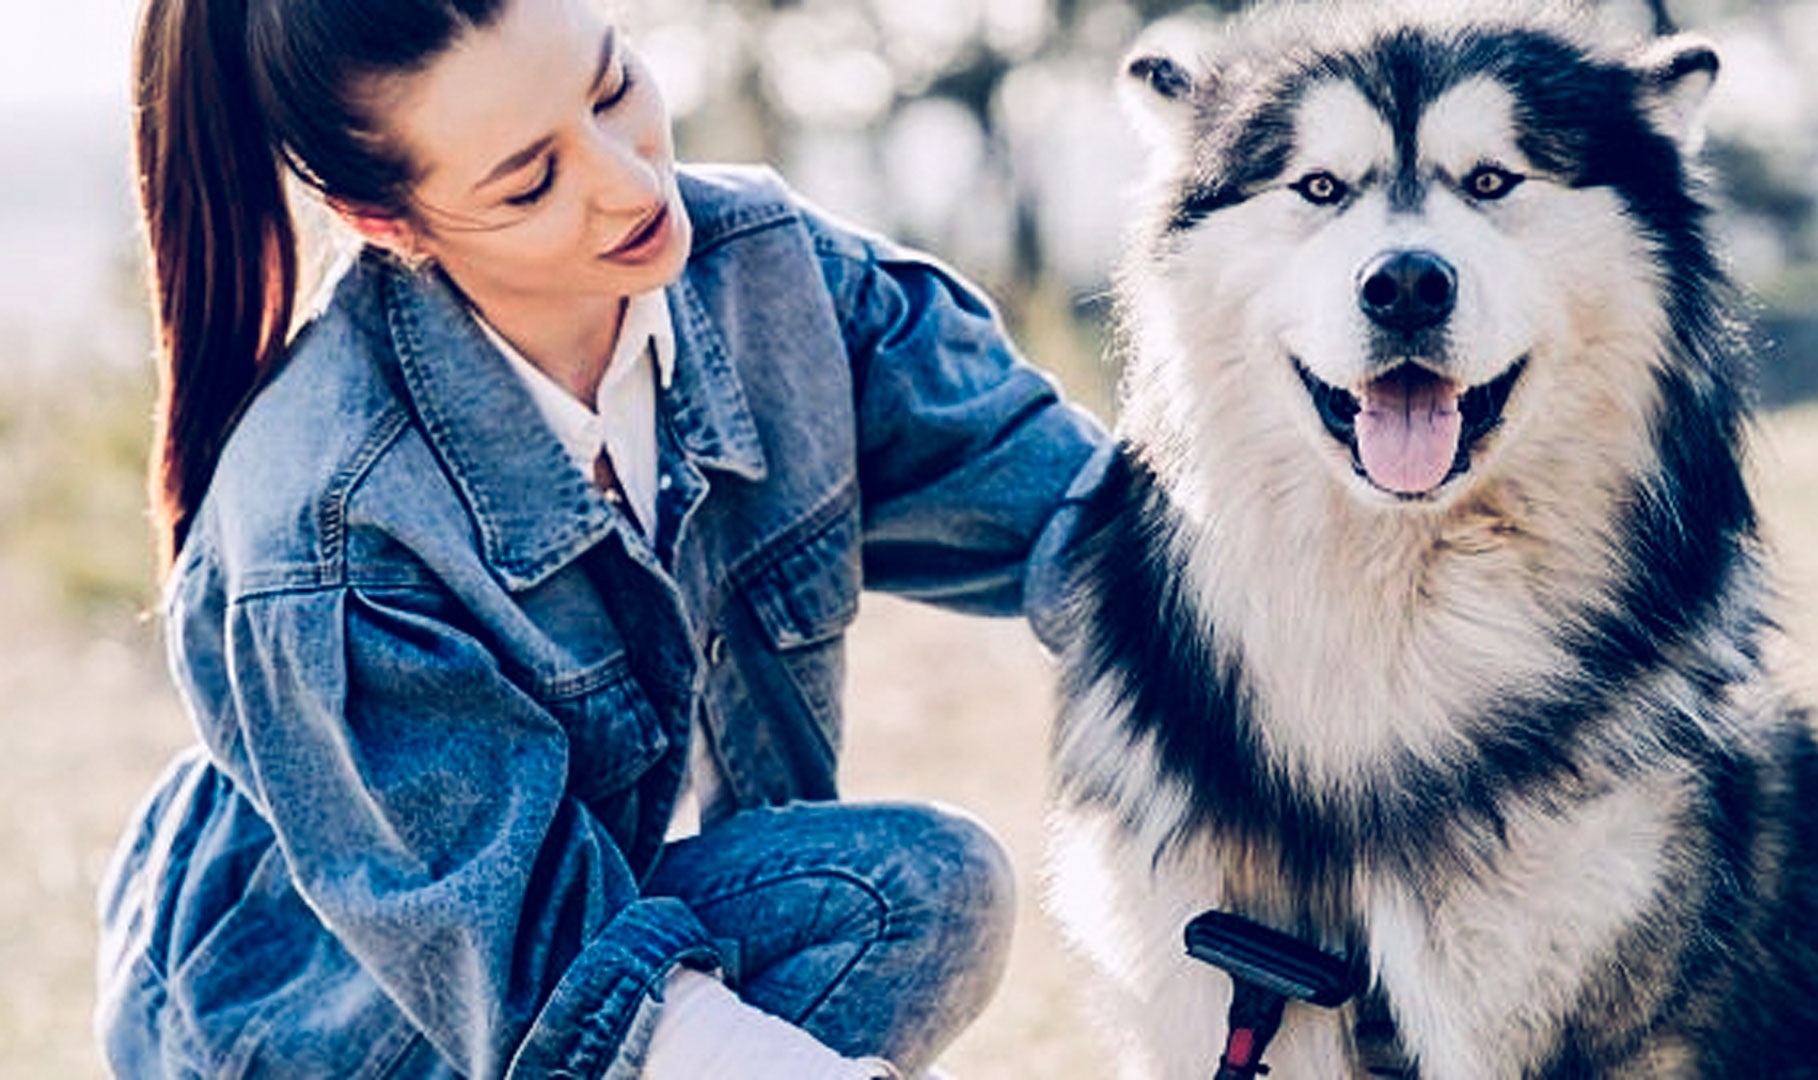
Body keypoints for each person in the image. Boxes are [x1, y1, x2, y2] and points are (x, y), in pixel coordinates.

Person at [94, 0, 1108, 1076]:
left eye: (615, 86)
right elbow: (545, 990)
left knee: (910, 892)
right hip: (326, 1019)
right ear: (388, 221)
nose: (630, 182)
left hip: (560, 959)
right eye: (531, 182)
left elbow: (1102, 529)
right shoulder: (331, 521)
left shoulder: (771, 280)